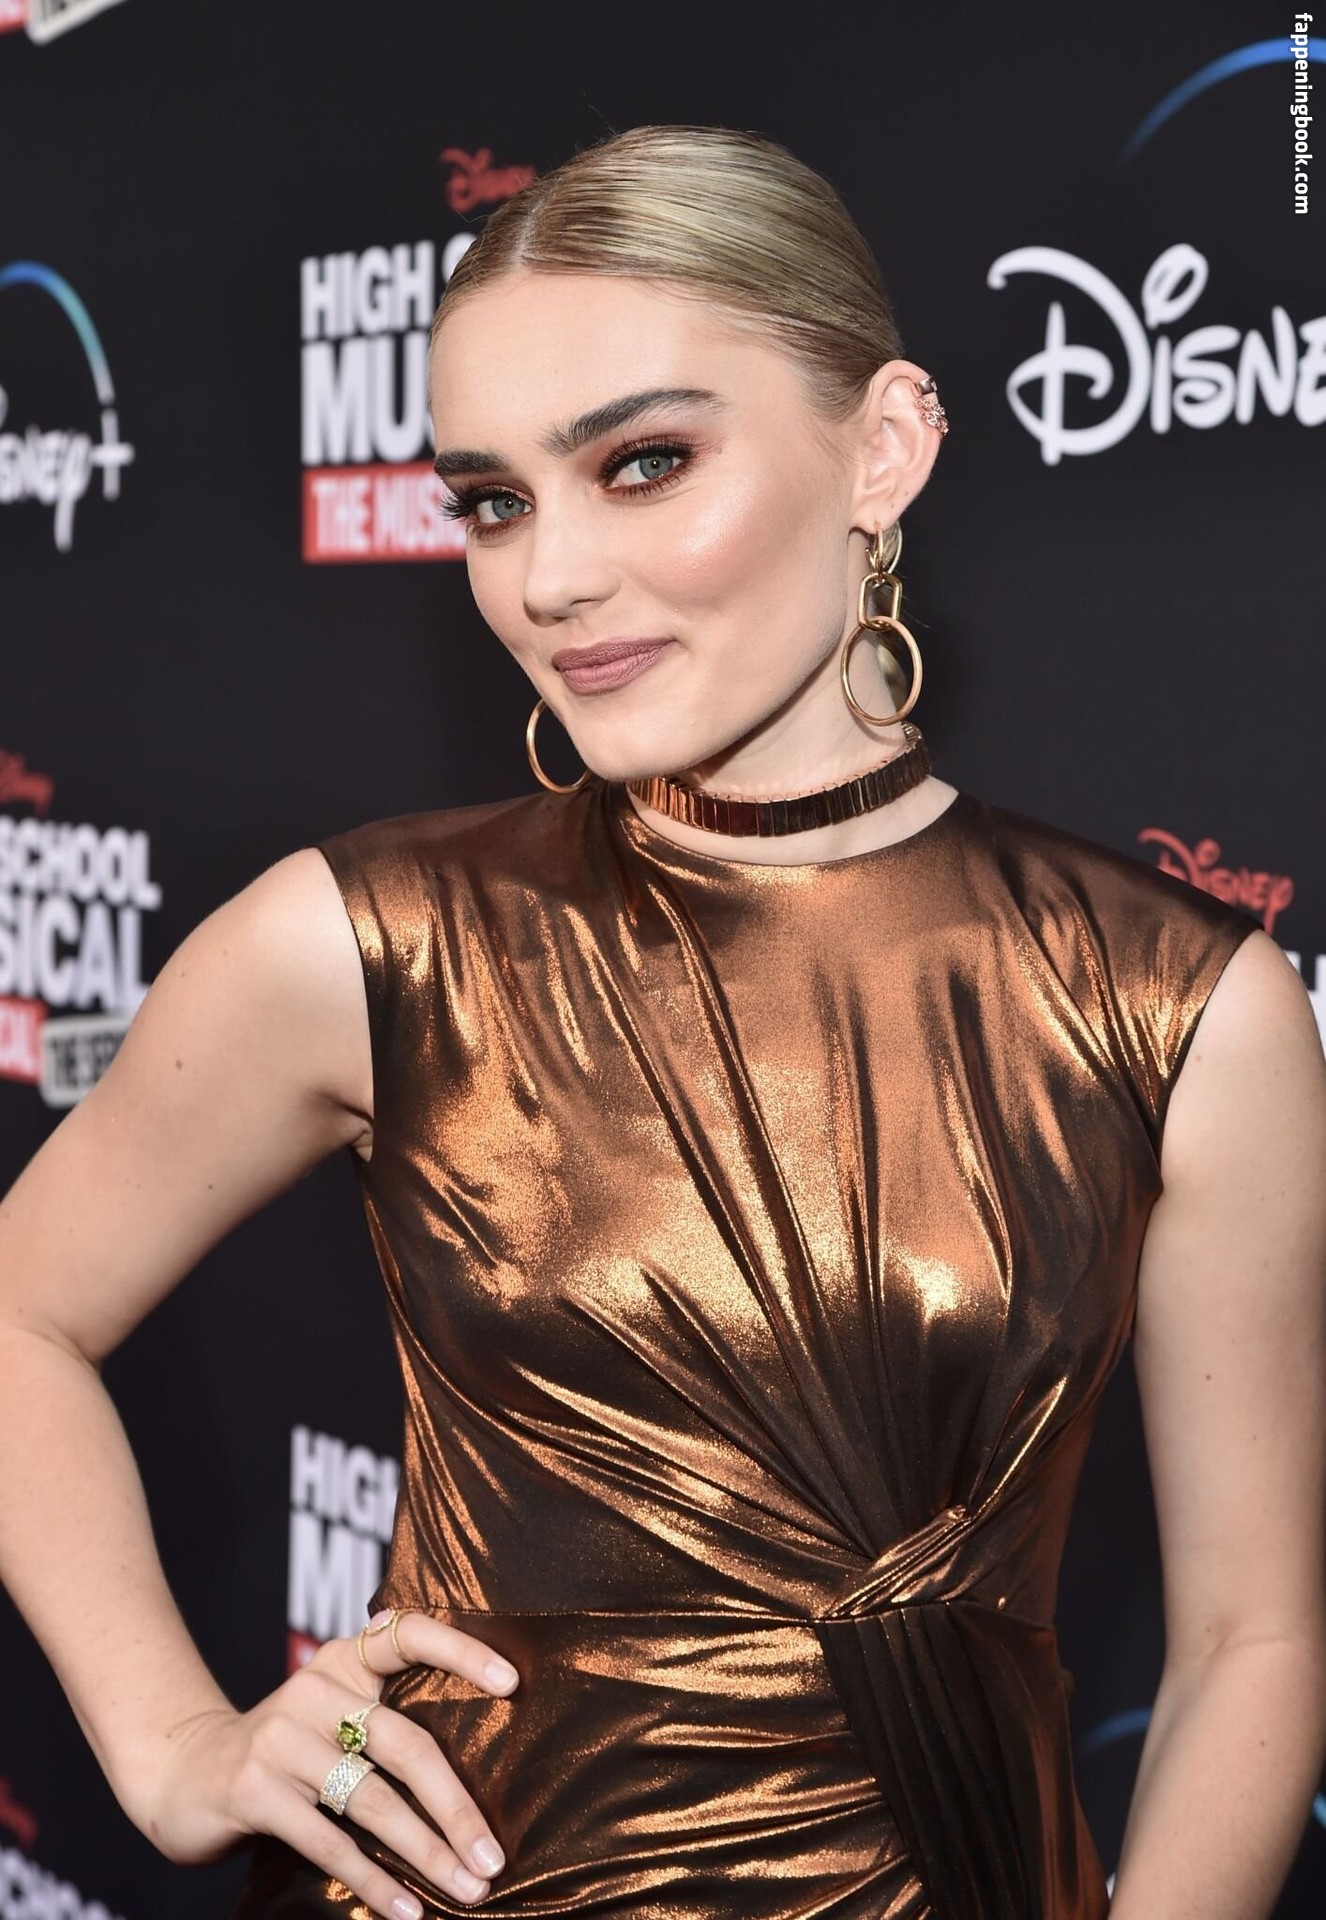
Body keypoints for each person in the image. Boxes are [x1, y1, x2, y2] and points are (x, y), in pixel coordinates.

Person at [0, 123, 1323, 1920]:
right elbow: (23, 1312)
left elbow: (1250, 1636)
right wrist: (171, 1745)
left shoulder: (1175, 1005)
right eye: (493, 501)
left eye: (642, 464)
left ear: (883, 448)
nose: (547, 578)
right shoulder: (373, 942)